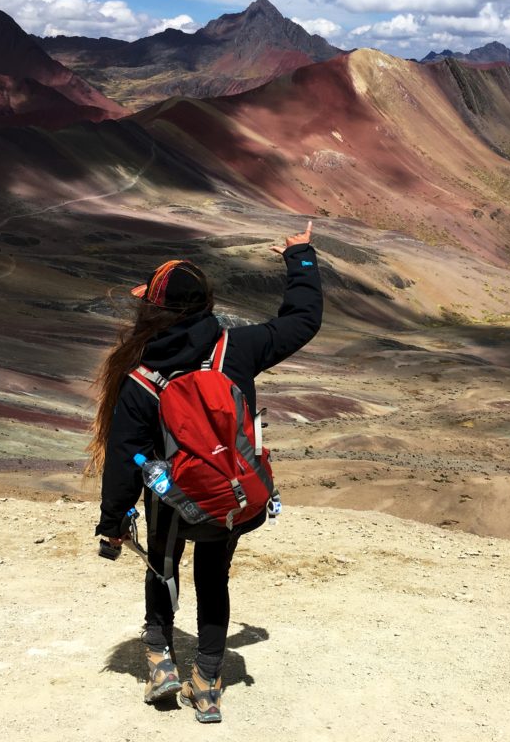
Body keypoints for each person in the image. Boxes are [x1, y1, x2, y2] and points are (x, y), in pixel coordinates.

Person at [89, 221, 322, 723]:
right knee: (213, 576)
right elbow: (303, 320)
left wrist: (111, 524)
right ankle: (209, 681)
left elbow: (123, 460)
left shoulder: (140, 376)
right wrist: (301, 257)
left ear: (153, 310)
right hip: (228, 495)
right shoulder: (236, 349)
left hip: (170, 498)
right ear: (205, 306)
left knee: (163, 569)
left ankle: (159, 663)